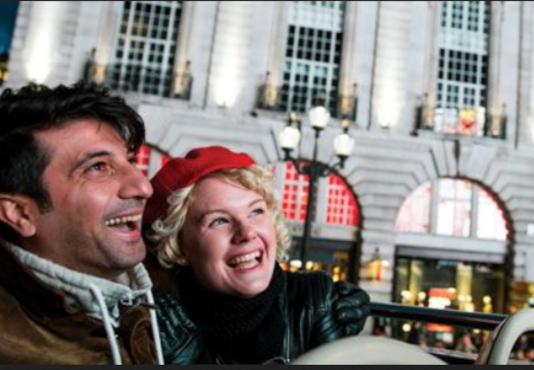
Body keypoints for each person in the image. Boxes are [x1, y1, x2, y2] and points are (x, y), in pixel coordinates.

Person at [143, 145, 370, 364]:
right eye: (219, 220)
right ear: (178, 246)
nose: (247, 232)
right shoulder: (157, 321)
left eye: (256, 211)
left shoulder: (313, 301)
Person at [0, 82, 163, 364]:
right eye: (98, 167)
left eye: (129, 161)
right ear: (19, 214)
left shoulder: (169, 287)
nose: (143, 187)